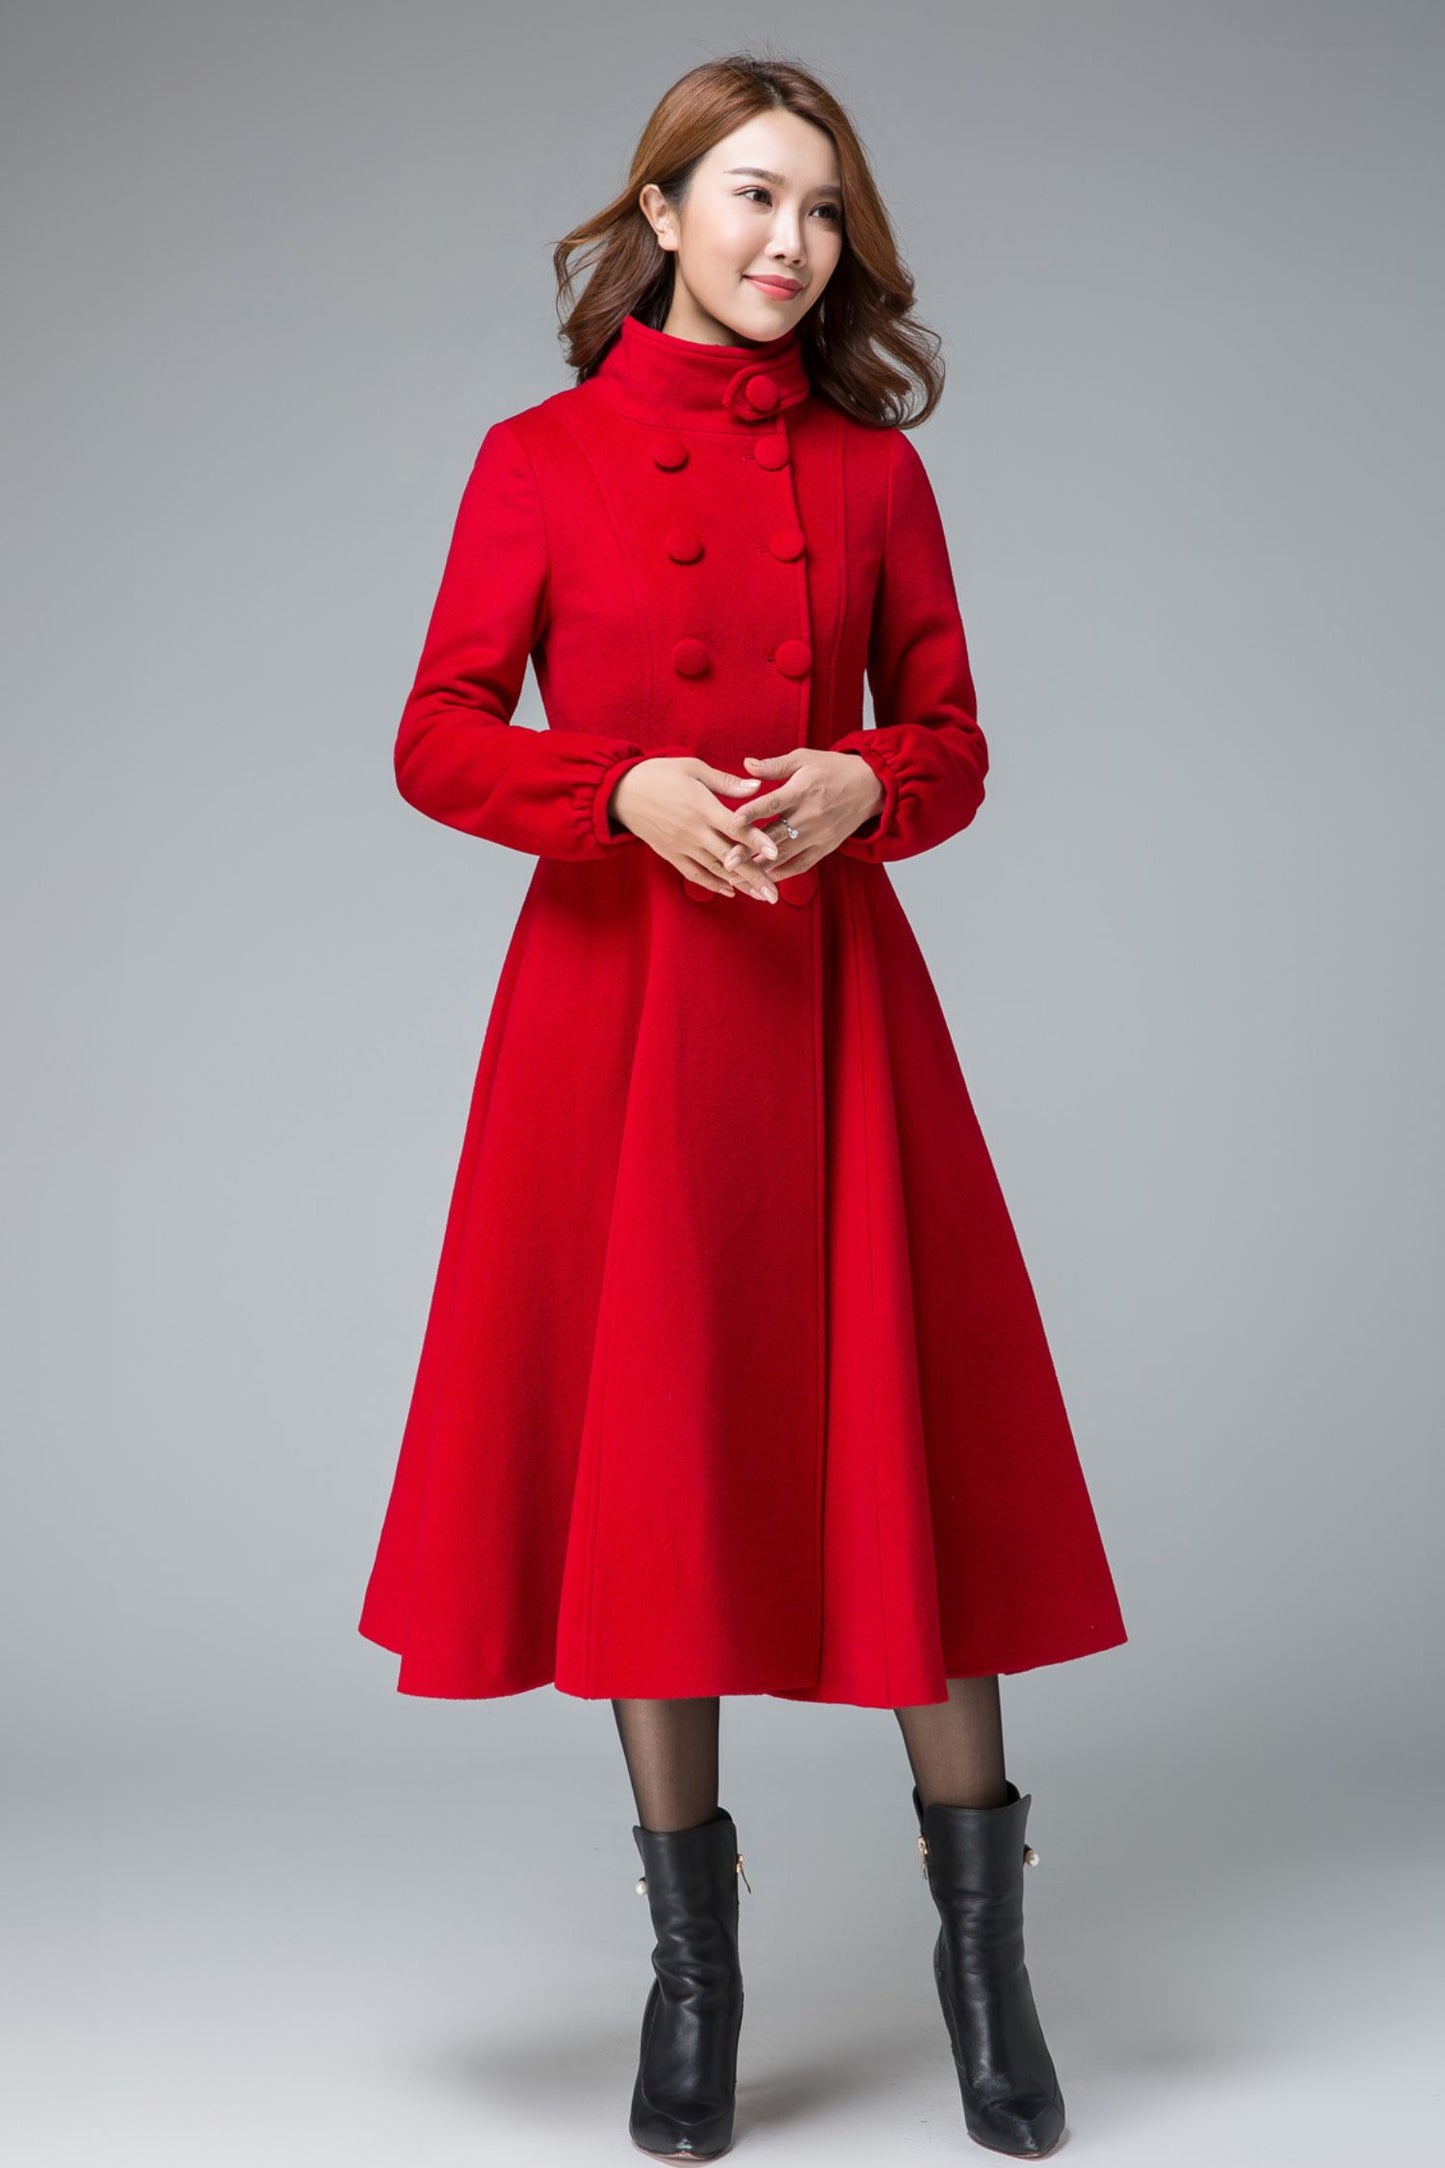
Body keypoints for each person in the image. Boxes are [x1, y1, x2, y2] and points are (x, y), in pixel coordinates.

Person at [358, 49, 1127, 2163]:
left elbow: (954, 736)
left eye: (823, 209)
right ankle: (694, 1982)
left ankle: (987, 1974)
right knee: (657, 1458)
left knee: (902, 1450)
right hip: (615, 1014)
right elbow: (434, 734)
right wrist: (612, 786)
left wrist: (873, 777)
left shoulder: (873, 476)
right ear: (664, 212)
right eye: (756, 197)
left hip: (830, 1009)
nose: (792, 242)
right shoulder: (536, 461)